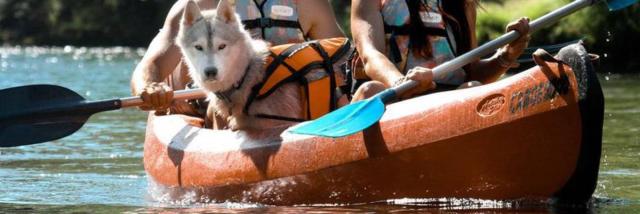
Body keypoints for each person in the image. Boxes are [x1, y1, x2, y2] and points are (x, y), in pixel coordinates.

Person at [130, 0, 345, 118]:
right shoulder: (199, 5)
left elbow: (342, 59)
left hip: (292, 109)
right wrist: (149, 87)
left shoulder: (309, 4)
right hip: (218, 108)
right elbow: (151, 64)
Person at [349, 0, 531, 101]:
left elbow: (472, 71)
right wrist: (401, 83)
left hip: (448, 99)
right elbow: (371, 55)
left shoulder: (464, 4)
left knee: (472, 88)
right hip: (395, 97)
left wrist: (506, 56)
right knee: (370, 90)